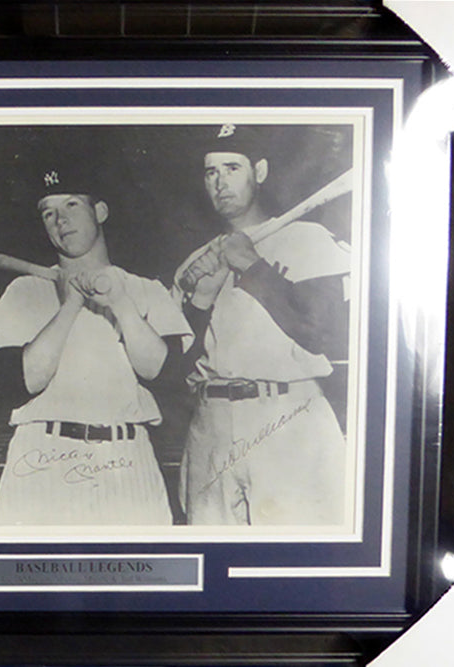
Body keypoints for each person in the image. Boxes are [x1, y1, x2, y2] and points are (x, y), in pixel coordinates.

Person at [0, 161, 192, 525]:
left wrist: (121, 304)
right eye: (48, 213)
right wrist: (70, 306)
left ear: (100, 211)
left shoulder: (145, 289)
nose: (59, 220)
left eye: (71, 205)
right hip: (41, 455)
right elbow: (22, 383)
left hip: (127, 457)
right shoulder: (24, 291)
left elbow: (164, 375)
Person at [173, 124, 350, 526]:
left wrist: (252, 267)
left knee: (297, 558)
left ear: (261, 171)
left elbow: (326, 335)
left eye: (232, 168)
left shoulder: (308, 238)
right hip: (211, 420)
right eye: (211, 172)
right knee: (214, 559)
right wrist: (199, 300)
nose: (220, 182)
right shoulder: (196, 261)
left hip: (289, 414)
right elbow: (177, 369)